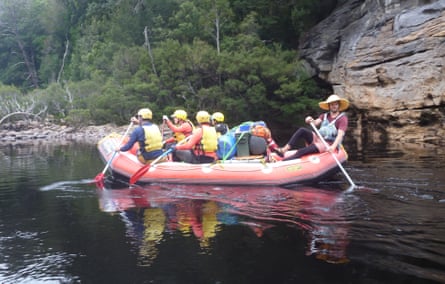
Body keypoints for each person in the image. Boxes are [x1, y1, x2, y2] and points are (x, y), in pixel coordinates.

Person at [278, 94, 350, 161]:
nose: (334, 106)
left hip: (328, 144)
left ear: (339, 105)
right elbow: (315, 123)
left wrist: (333, 147)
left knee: (302, 151)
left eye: (336, 104)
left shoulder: (342, 118)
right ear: (329, 106)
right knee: (302, 130)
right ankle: (284, 149)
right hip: (318, 139)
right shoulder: (324, 115)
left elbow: (340, 135)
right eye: (332, 104)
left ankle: (283, 162)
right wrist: (310, 120)